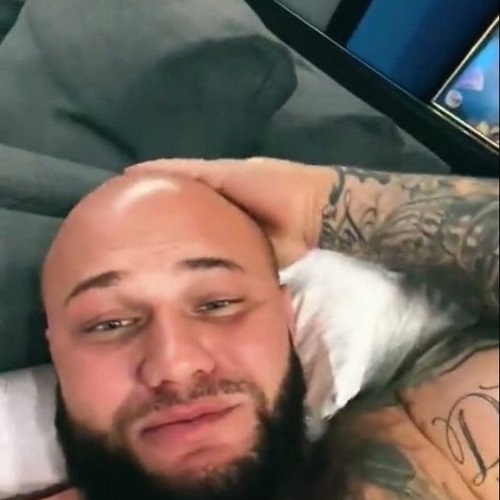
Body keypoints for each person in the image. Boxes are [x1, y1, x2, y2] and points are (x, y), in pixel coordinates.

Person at [40, 158, 499, 500]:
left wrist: (315, 204)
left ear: (287, 319)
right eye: (110, 323)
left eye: (218, 304)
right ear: (55, 352)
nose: (176, 365)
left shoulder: (424, 452)